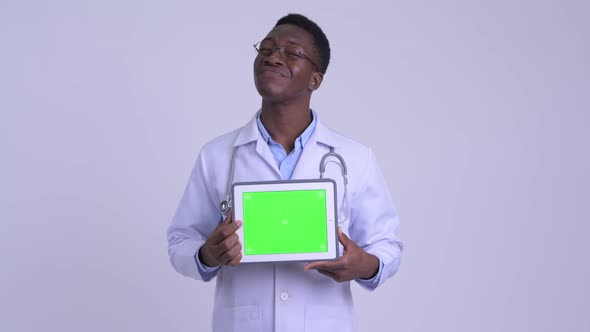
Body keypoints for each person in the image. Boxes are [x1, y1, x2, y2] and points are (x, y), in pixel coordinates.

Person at [167, 13, 402, 332]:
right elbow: (181, 240)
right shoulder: (218, 155)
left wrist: (365, 265)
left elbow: (386, 244)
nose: (274, 57)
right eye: (266, 49)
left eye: (292, 52)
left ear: (314, 80)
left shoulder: (355, 158)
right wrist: (207, 254)